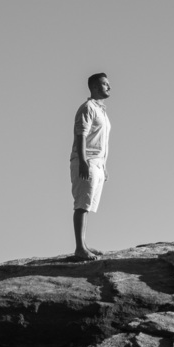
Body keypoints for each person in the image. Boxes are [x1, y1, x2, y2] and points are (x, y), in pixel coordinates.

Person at [70, 72, 112, 260]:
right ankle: (80, 248)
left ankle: (84, 244)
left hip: (97, 163)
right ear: (95, 87)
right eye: (104, 84)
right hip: (86, 161)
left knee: (88, 205)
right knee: (81, 204)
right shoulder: (88, 107)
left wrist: (104, 166)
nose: (108, 87)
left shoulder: (101, 110)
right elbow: (81, 134)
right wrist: (84, 161)